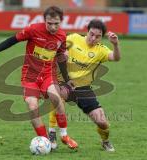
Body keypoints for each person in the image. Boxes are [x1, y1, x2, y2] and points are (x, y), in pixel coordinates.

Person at [0, 6, 78, 149]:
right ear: (44, 20)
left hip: (48, 74)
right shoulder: (33, 29)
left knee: (56, 98)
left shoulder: (62, 36)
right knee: (32, 106)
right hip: (30, 76)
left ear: (61, 22)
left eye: (56, 24)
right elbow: (12, 40)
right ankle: (45, 141)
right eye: (49, 23)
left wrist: (67, 79)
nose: (53, 27)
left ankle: (64, 135)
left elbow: (60, 58)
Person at [48, 19, 121, 151]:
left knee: (102, 122)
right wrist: (61, 53)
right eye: (91, 34)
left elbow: (116, 58)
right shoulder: (74, 38)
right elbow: (55, 46)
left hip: (84, 88)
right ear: (87, 31)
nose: (93, 38)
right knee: (58, 96)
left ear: (101, 37)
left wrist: (115, 45)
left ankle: (105, 141)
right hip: (64, 82)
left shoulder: (101, 50)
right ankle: (52, 134)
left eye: (98, 36)